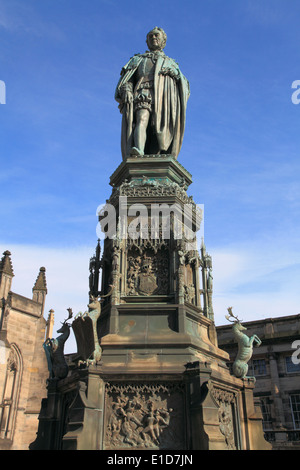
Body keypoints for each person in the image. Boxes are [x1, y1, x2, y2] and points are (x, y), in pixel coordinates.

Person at [115, 27, 190, 160]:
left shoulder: (171, 63)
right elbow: (127, 80)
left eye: (156, 35)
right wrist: (126, 89)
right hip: (143, 92)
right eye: (150, 36)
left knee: (158, 129)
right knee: (142, 119)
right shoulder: (138, 59)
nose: (153, 38)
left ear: (163, 41)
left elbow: (185, 87)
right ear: (147, 41)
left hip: (164, 99)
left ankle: (160, 154)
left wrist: (177, 75)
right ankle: (138, 149)